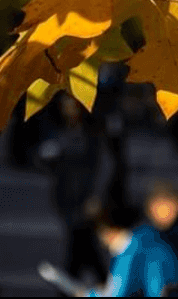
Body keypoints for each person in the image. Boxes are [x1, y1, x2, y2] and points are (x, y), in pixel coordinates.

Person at [40, 95, 105, 285]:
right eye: (65, 107)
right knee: (82, 245)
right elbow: (47, 162)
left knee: (80, 244)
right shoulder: (57, 131)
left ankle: (70, 284)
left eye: (73, 107)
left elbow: (103, 164)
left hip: (85, 195)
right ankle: (106, 284)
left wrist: (97, 195)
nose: (69, 112)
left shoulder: (92, 134)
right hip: (66, 195)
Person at [90, 203, 178, 297]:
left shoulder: (129, 250)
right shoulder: (152, 238)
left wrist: (88, 294)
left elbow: (115, 294)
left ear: (108, 233)